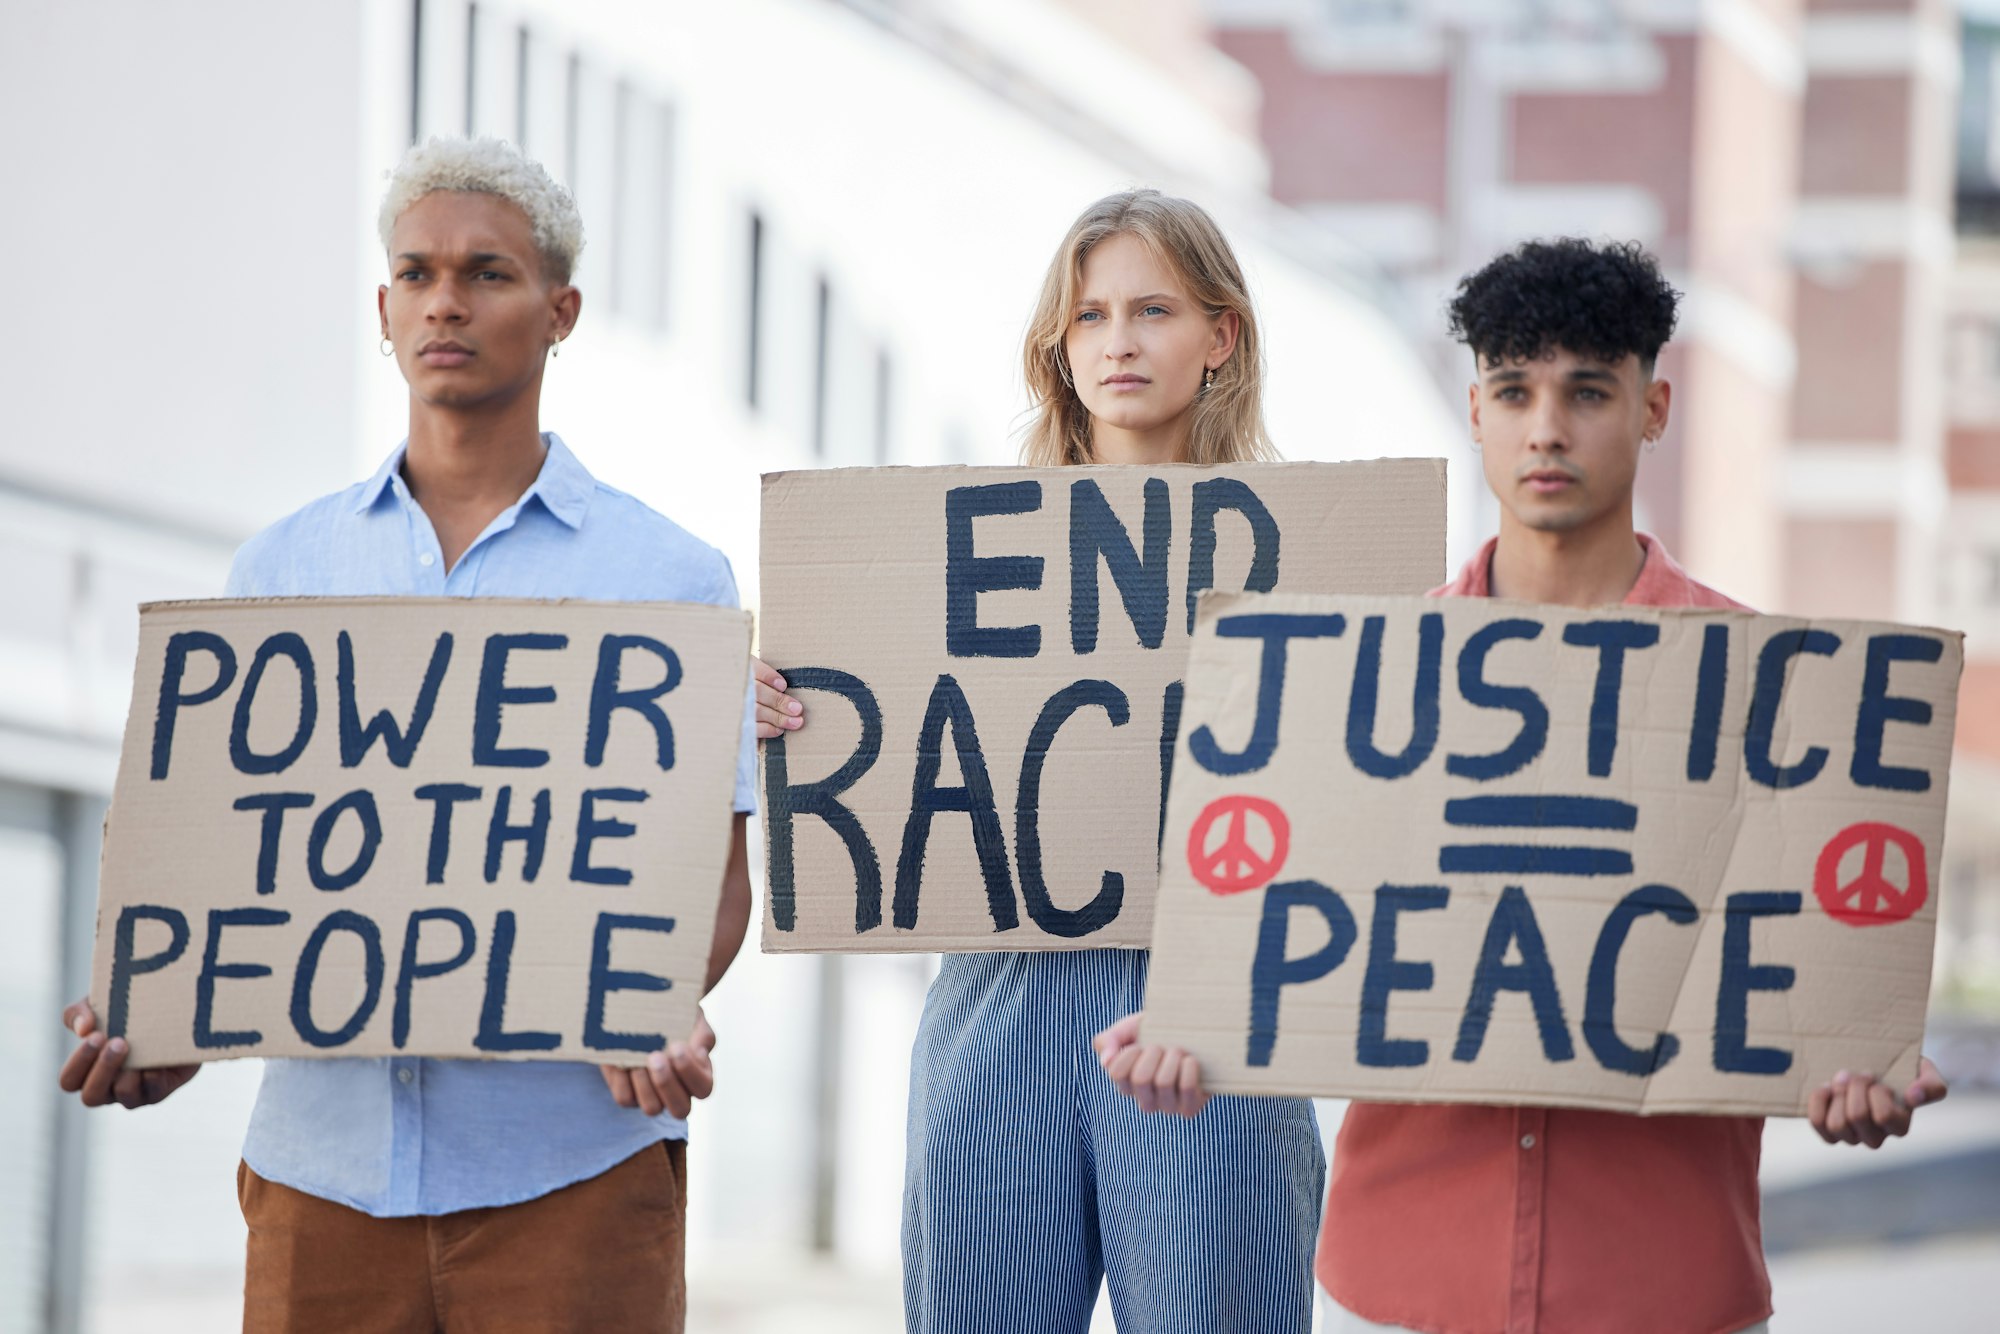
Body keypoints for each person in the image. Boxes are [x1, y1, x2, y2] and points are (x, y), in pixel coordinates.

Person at [1093, 236, 1951, 1334]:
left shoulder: (1780, 697)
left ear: (1652, 407)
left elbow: (1808, 977)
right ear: (1474, 411)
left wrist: (1848, 1075)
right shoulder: (1346, 690)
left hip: (1665, 1291)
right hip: (1396, 1289)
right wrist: (1200, 1032)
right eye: (1514, 390)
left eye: (1586, 390)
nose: (1545, 425)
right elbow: (1294, 939)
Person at [57, 136, 754, 1334]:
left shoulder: (669, 577)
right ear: (383, 309)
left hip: (571, 1175)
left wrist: (651, 998)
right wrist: (166, 1019)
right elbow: (229, 850)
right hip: (316, 1183)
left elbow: (717, 874)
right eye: (416, 271)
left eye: (488, 272)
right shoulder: (279, 568)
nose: (445, 298)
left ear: (561, 310)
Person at [755, 190, 1325, 1333]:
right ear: (1058, 350)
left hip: (1205, 1014)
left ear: (1220, 336)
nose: (1117, 339)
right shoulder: (950, 555)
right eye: (1089, 316)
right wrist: (780, 702)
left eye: (1153, 309)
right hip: (998, 994)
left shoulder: (1307, 556)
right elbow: (877, 750)